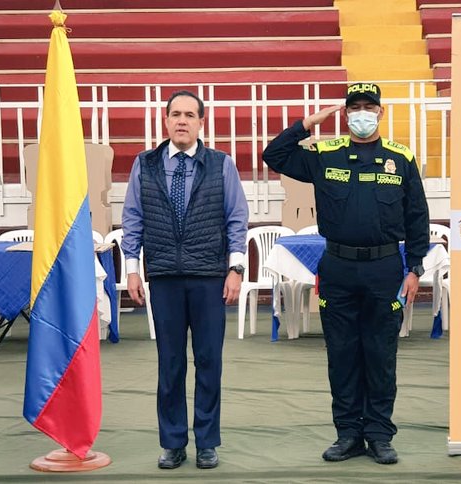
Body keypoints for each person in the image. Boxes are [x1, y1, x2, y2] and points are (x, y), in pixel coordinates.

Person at [261, 82, 430, 465]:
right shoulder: (325, 154)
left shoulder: (400, 157)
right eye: (355, 107)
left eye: (369, 107)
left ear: (381, 113)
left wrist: (415, 267)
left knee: (380, 354)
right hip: (338, 268)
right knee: (342, 354)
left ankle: (379, 435)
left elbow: (417, 216)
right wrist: (308, 123)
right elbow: (275, 155)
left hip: (385, 268)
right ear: (346, 113)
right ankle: (348, 434)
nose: (362, 114)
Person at [121, 90, 249, 470]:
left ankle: (207, 442)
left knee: (209, 361)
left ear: (201, 122)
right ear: (165, 120)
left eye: (189, 115)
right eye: (175, 114)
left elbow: (236, 219)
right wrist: (132, 268)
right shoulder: (144, 164)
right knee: (171, 363)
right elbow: (132, 218)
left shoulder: (221, 164)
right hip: (164, 277)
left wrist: (236, 268)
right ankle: (173, 442)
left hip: (210, 277)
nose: (182, 121)